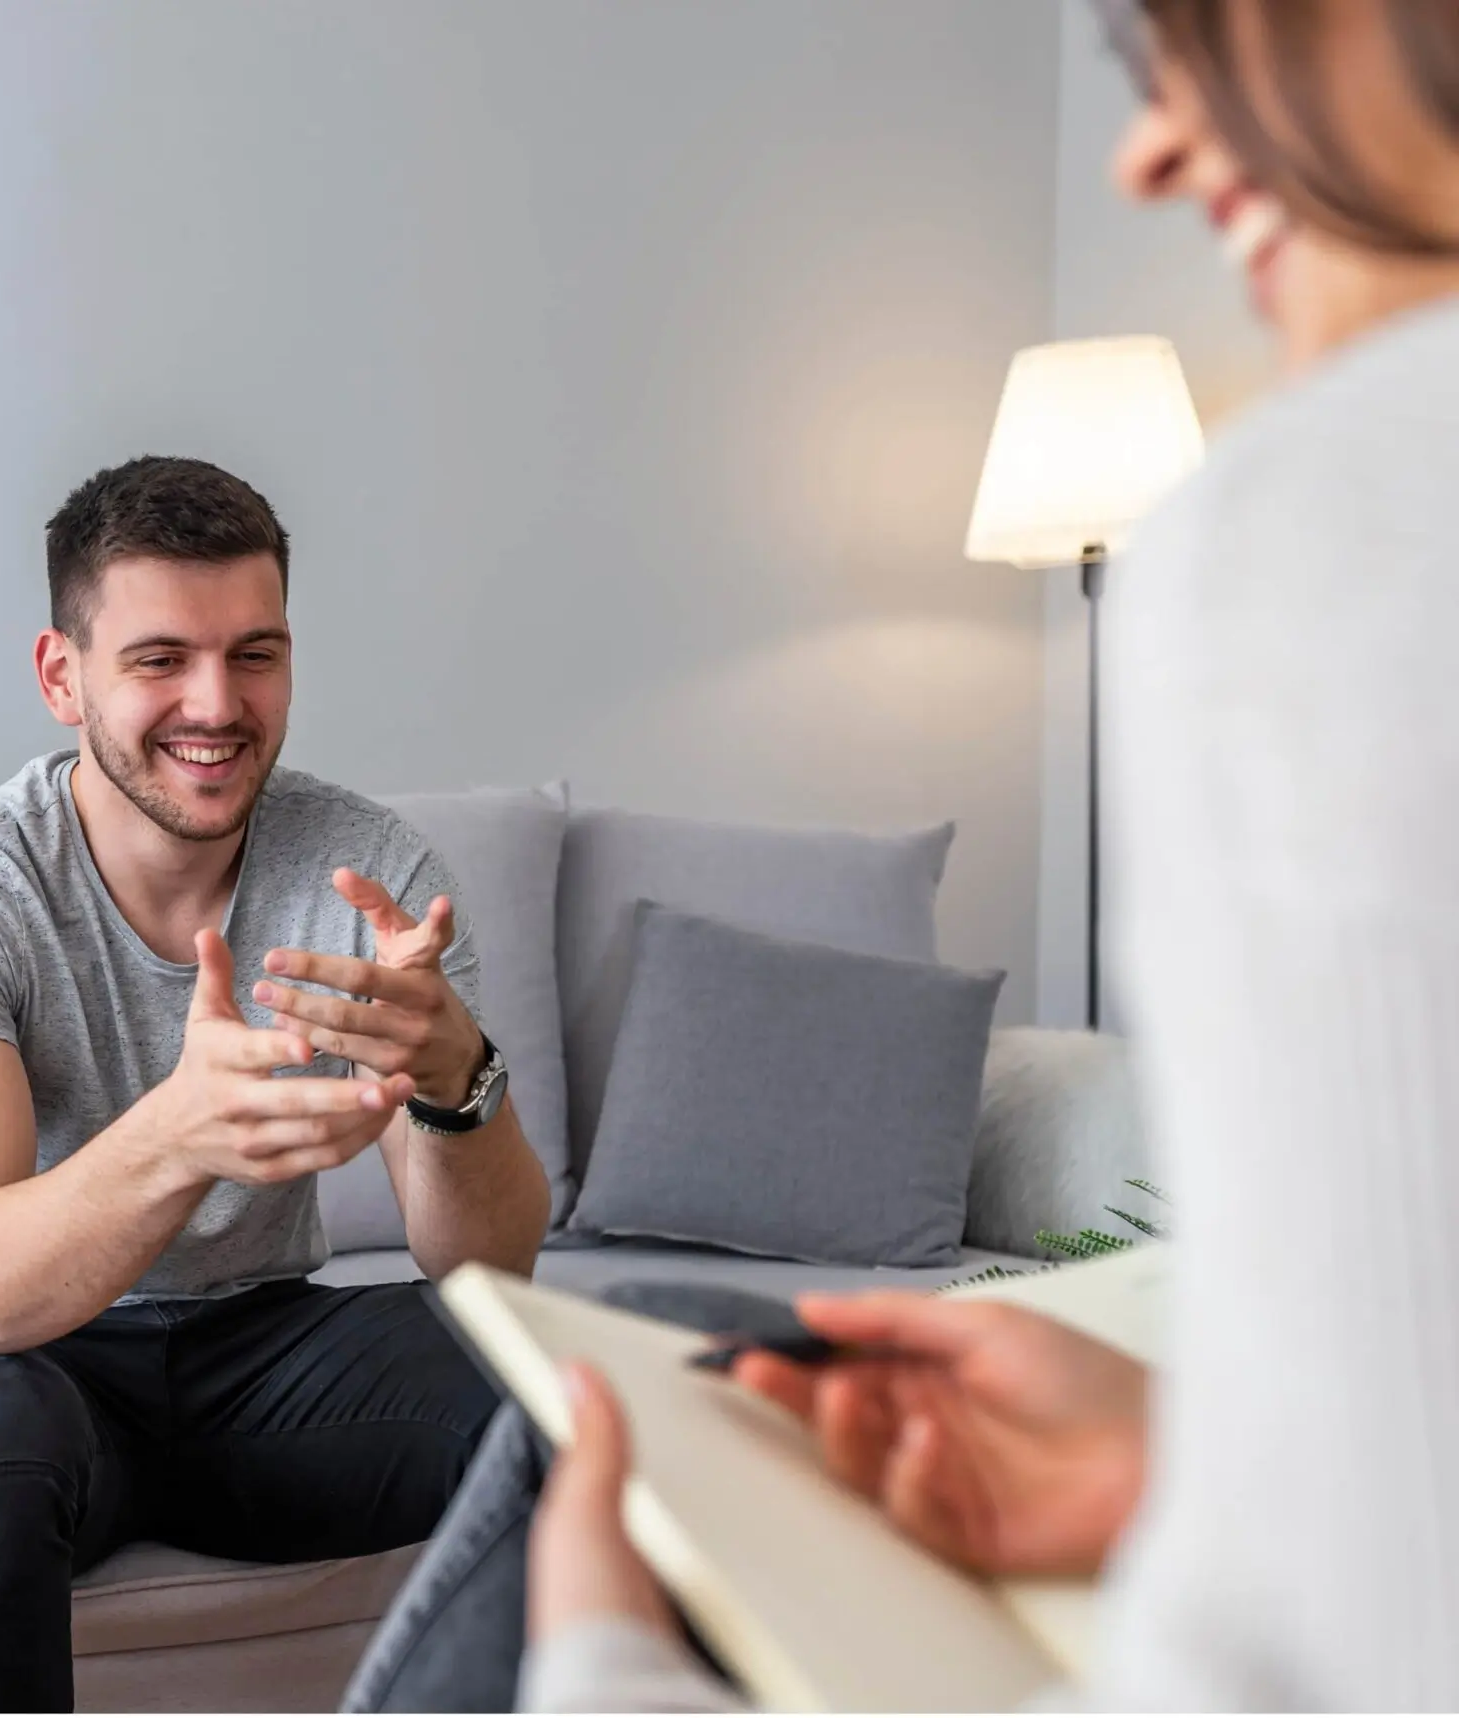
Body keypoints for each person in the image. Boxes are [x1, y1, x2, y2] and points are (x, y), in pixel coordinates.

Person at [513, 0, 1459, 1707]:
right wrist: (1199, 1462)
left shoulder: (1313, 532)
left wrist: (597, 1660)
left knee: (559, 1451)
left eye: (1218, 33)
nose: (1152, 148)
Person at [0, 454, 555, 1711]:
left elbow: (483, 1282)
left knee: (573, 1391)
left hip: (255, 1349)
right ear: (63, 676)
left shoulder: (364, 865)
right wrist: (178, 1132)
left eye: (255, 653)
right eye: (160, 658)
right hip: (9, 1362)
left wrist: (454, 1073)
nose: (216, 704)